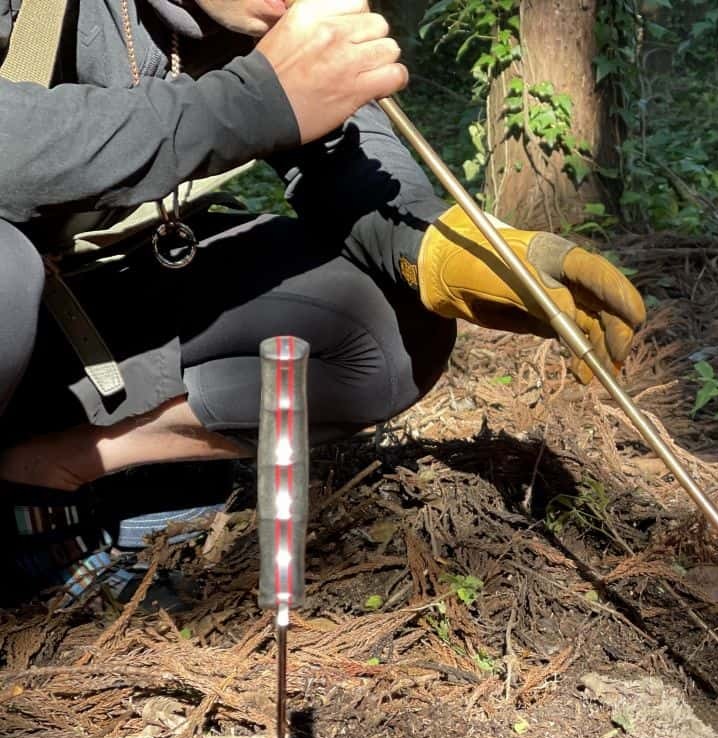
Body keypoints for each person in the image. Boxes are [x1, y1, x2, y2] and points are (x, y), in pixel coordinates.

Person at [0, 0, 645, 594]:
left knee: (392, 323)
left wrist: (447, 254)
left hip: (72, 305)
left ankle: (45, 465)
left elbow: (352, 165)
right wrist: (245, 105)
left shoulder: (248, 16)